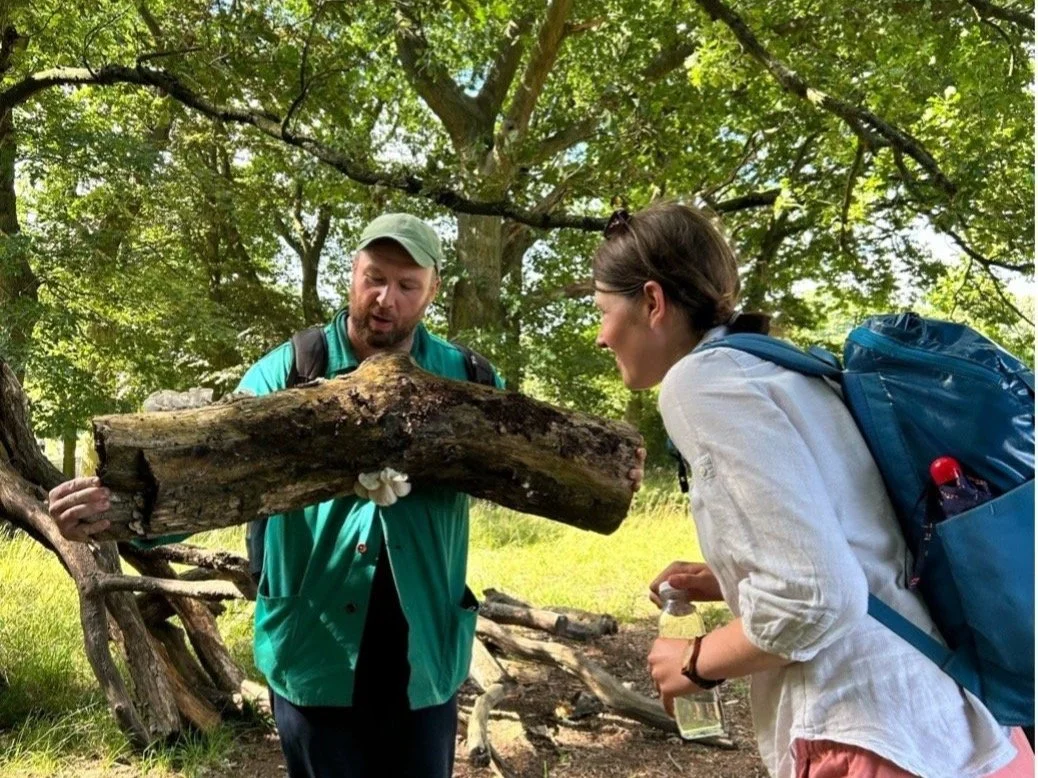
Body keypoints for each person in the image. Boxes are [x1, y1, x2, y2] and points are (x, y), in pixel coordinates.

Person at [46, 211, 647, 778]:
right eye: (375, 279)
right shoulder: (288, 371)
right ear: (353, 274)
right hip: (315, 648)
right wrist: (118, 512)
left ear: (432, 290)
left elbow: (539, 462)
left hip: (424, 657)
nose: (386, 299)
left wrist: (607, 469)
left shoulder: (470, 379)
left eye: (407, 285)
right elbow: (208, 477)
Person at [590, 202, 1033, 778]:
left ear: (652, 302)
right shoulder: (790, 371)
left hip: (867, 734)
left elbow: (816, 598)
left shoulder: (699, 384)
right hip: (955, 724)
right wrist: (731, 578)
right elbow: (862, 548)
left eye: (602, 311)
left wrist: (696, 661)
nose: (601, 337)